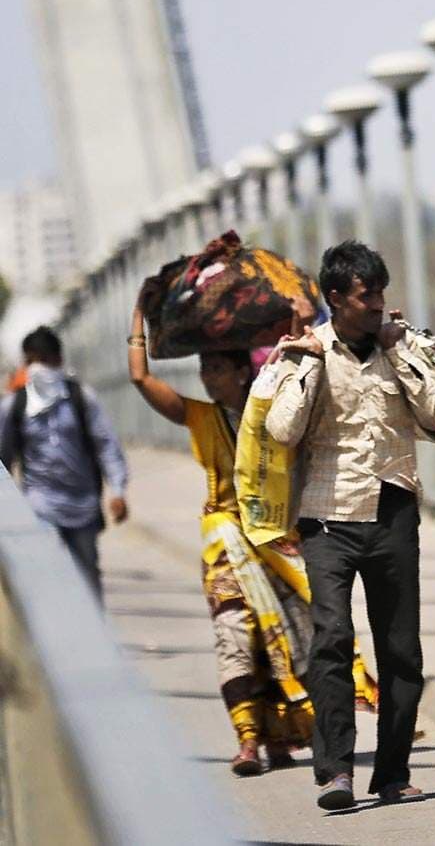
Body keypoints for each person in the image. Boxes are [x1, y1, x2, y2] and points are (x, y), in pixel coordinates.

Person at [127, 303, 379, 777]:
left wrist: (301, 319)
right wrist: (139, 317)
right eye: (204, 368)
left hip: (279, 547)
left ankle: (279, 737)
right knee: (234, 636)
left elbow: (303, 368)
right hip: (225, 547)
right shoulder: (200, 417)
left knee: (284, 640)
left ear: (245, 372)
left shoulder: (276, 416)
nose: (207, 378)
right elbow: (141, 380)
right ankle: (246, 740)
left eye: (218, 368)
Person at [264, 241, 435, 809]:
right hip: (328, 518)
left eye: (380, 295)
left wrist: (400, 356)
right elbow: (281, 430)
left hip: (394, 510)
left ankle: (392, 772)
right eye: (366, 297)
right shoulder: (305, 350)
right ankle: (335, 771)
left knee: (401, 649)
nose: (376, 307)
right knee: (332, 639)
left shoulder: (408, 344)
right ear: (337, 298)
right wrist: (308, 362)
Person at [0, 326, 128, 599]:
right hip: (40, 504)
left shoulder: (82, 399)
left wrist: (117, 490)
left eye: (45, 360)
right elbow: (4, 456)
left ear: (58, 360)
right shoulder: (14, 405)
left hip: (83, 506)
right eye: (33, 361)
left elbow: (106, 445)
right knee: (44, 579)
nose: (40, 368)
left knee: (88, 579)